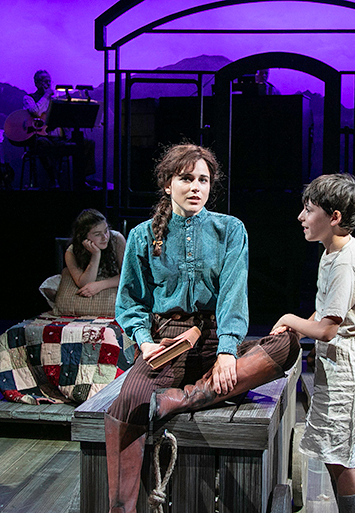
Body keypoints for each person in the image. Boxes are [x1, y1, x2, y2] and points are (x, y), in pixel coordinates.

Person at [104, 143, 301, 513]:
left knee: (287, 346)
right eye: (186, 179)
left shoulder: (229, 229)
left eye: (203, 180)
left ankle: (180, 398)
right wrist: (145, 343)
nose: (196, 187)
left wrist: (227, 351)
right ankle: (121, 508)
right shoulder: (144, 236)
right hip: (167, 344)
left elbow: (232, 295)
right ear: (167, 184)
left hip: (214, 341)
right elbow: (130, 302)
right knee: (127, 401)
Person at [271, 173, 355, 513]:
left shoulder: (346, 260)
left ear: (334, 218)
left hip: (349, 368)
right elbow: (327, 308)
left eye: (309, 210)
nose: (301, 217)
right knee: (335, 453)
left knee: (343, 457)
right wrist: (301, 330)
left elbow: (329, 328)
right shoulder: (332, 252)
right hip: (335, 366)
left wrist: (291, 319)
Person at [23, 70, 96, 189]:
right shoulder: (29, 98)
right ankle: (53, 179)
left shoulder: (56, 100)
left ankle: (82, 179)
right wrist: (46, 96)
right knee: (42, 143)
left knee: (86, 143)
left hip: (60, 138)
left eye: (48, 81)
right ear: (36, 83)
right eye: (44, 81)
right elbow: (35, 112)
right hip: (41, 137)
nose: (47, 83)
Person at [64, 208, 126, 297]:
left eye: (106, 231)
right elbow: (84, 283)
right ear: (84, 236)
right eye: (97, 234)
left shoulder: (117, 239)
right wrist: (96, 255)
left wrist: (100, 285)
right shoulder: (71, 252)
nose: (104, 237)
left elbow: (127, 275)